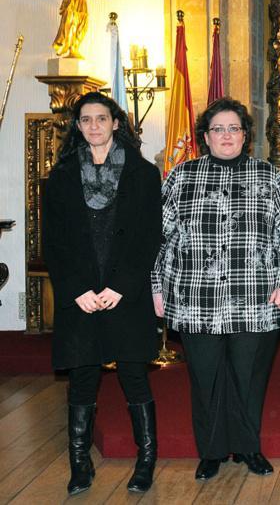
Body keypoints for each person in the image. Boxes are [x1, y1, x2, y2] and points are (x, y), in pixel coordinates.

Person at [151, 97, 280, 482]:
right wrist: (156, 288)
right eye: (218, 129)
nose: (226, 135)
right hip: (196, 297)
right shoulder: (180, 178)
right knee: (206, 377)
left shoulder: (270, 177)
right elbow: (160, 239)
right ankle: (211, 451)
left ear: (245, 136)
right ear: (205, 137)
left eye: (234, 128)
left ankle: (248, 447)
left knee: (248, 377)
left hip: (256, 297)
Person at [42, 92, 161, 495]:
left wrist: (120, 287)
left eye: (101, 118)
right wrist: (77, 291)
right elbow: (53, 244)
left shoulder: (144, 174)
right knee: (82, 379)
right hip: (81, 297)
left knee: (134, 377)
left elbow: (149, 237)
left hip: (124, 293)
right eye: (86, 120)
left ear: (115, 123)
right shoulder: (59, 178)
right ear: (77, 127)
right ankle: (80, 465)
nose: (94, 126)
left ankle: (145, 463)